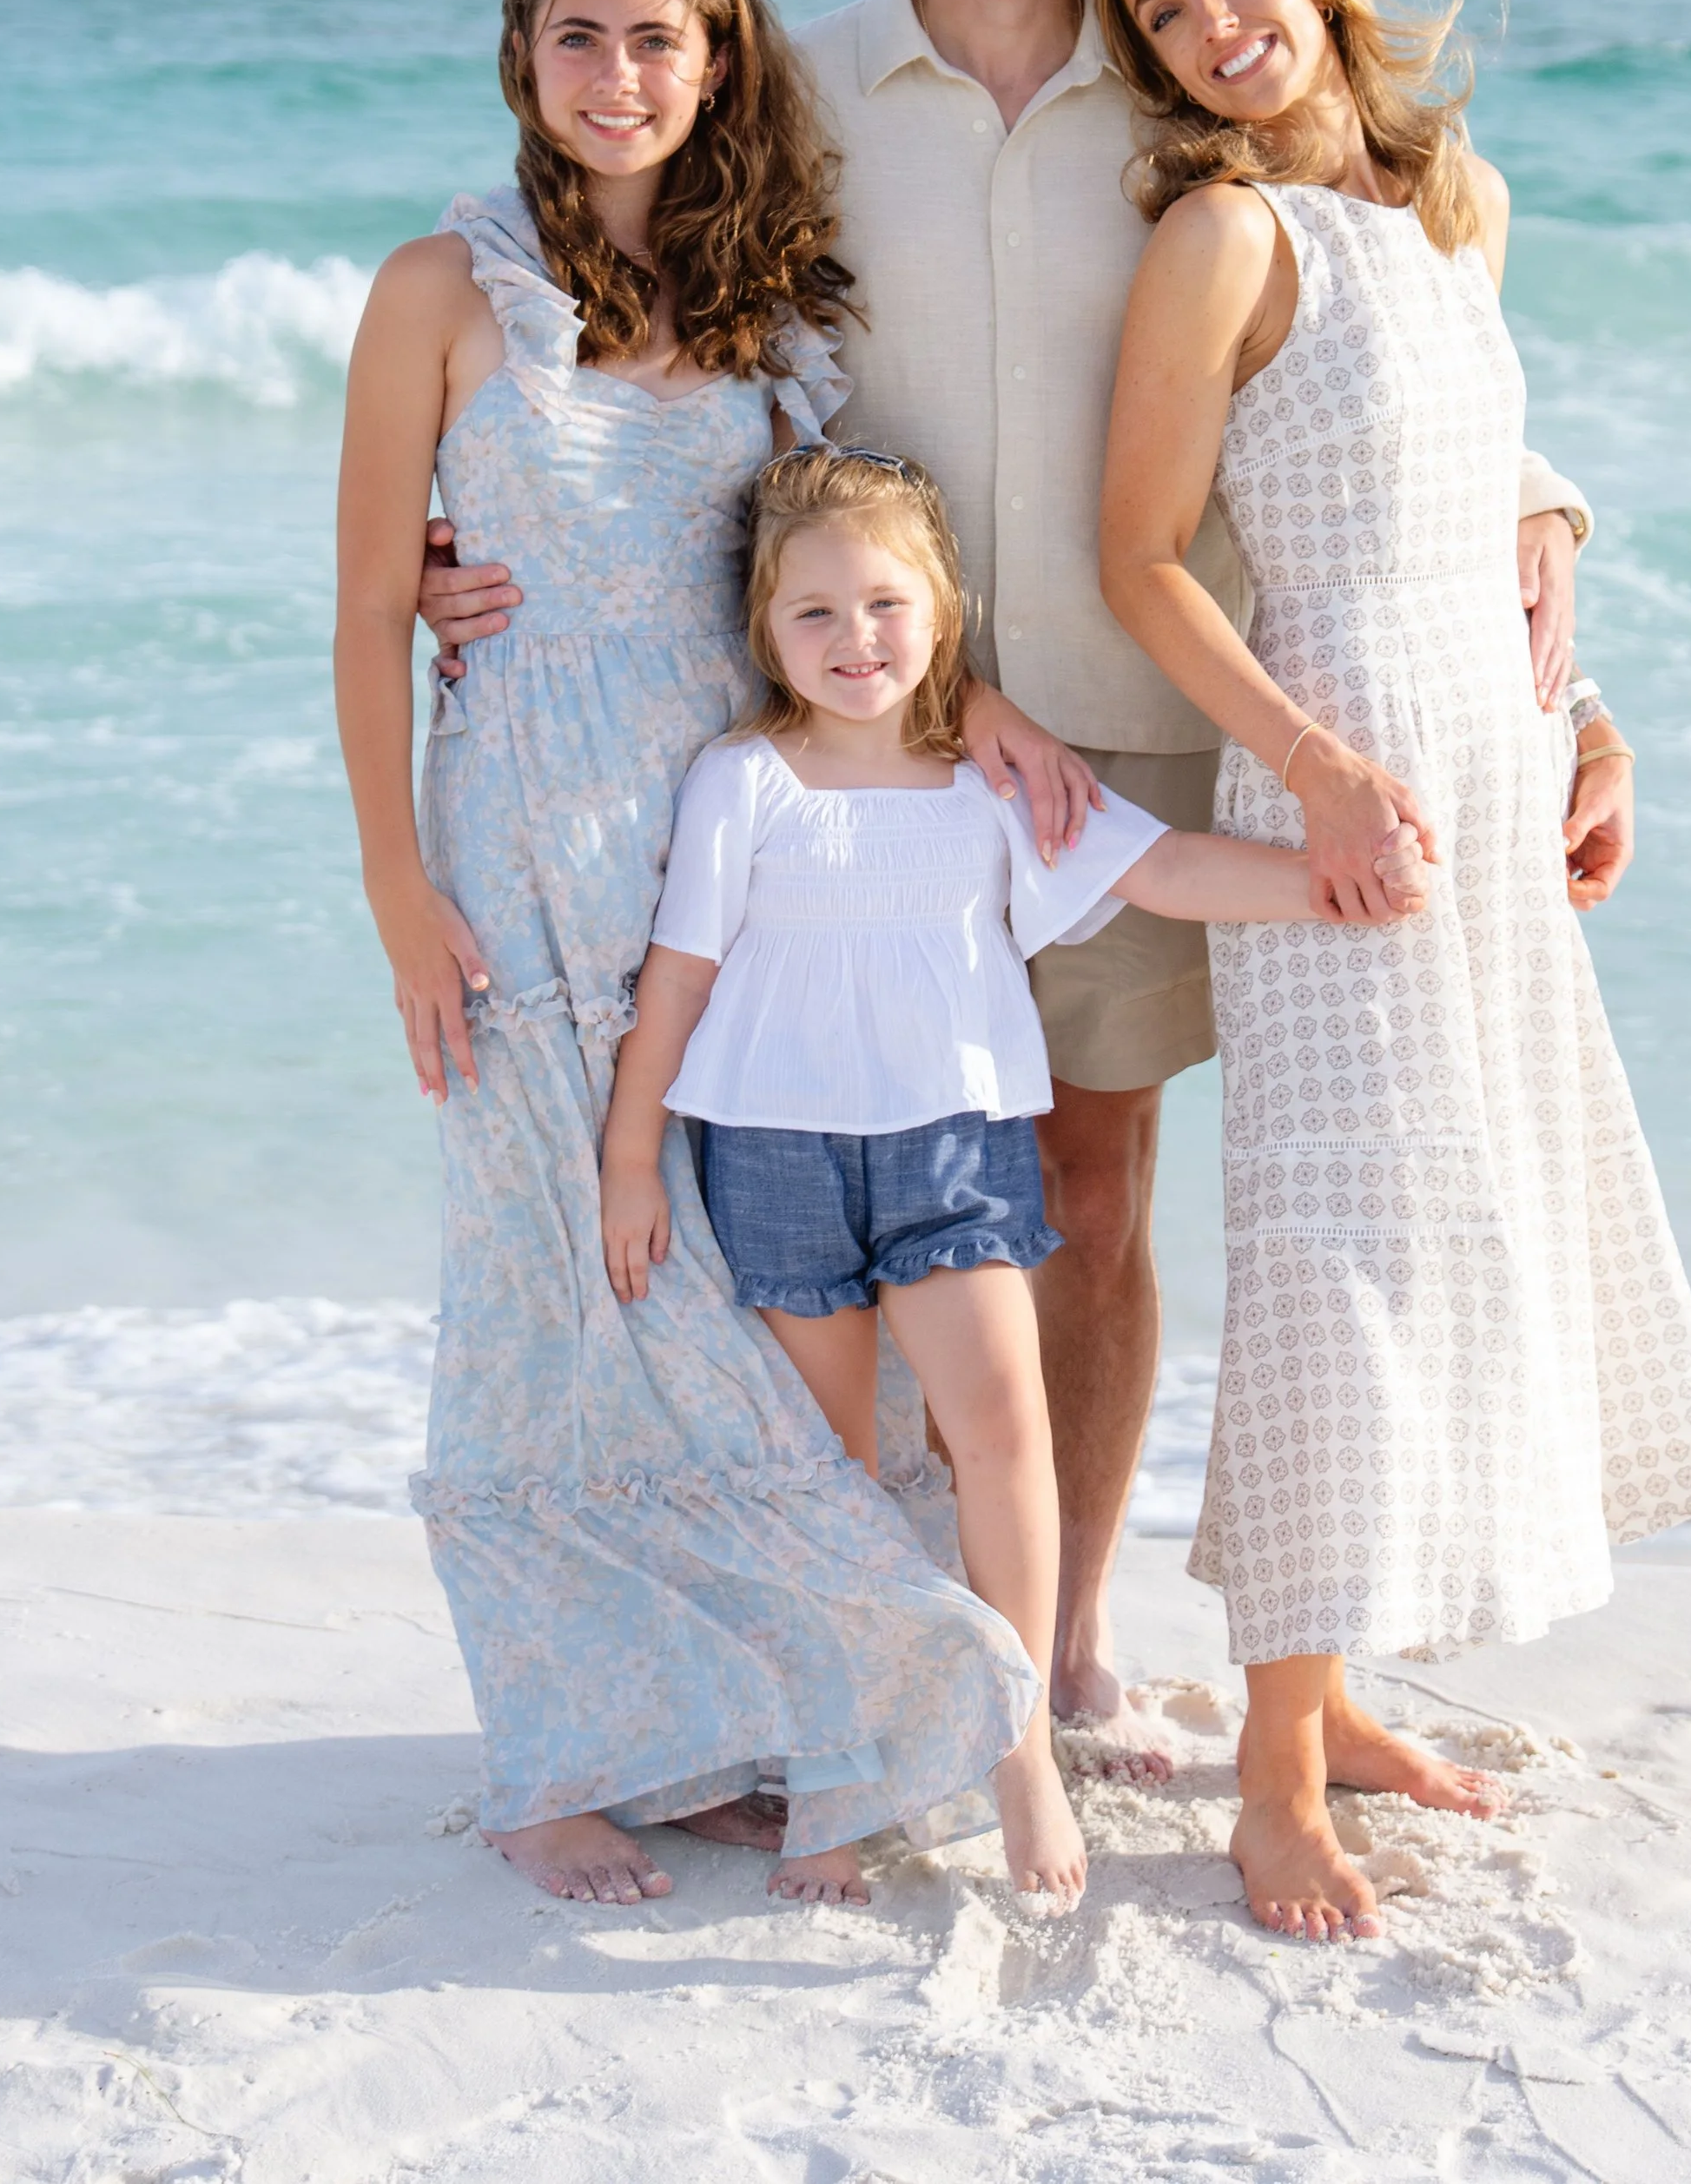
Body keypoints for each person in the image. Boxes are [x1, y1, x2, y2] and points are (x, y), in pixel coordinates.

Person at [419, 0, 1600, 1778]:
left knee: (1093, 1181)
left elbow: (1391, 337)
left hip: (1151, 723)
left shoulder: (1181, 107)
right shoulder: (799, 80)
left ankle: (1059, 1650)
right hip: (878, 746)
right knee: (841, 1187)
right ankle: (881, 1648)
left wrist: (1541, 517)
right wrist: (481, 520)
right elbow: (659, 303)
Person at [334, 0, 1041, 1914]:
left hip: (747, 855)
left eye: (659, 36)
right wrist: (396, 883)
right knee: (551, 1285)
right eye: (578, 36)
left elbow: (843, 579)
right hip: (521, 844)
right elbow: (372, 610)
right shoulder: (440, 289)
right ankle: (551, 1759)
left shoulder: (774, 313)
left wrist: (976, 725)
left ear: (717, 60)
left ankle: (741, 1710)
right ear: (522, 60)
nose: (617, 74)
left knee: (731, 1289)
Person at [1094, 0, 1691, 1942]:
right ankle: (1270, 1773)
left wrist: (1600, 737)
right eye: (1165, 15)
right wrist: (1315, 776)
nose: (1213, 24)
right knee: (1336, 1248)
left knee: (1462, 1217)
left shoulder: (1445, 209)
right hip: (1340, 771)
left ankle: (1342, 1699)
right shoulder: (1219, 235)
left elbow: (1498, 521)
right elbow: (1142, 560)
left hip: (1483, 757)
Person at [596, 444, 1427, 1908]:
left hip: (954, 1150)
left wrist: (1324, 879)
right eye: (815, 616)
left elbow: (1161, 870)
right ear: (762, 631)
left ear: (943, 612)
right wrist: (628, 1166)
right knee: (830, 1475)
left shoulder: (990, 784)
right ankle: (839, 1766)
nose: (856, 641)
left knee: (1000, 1433)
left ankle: (1018, 1742)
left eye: (884, 606)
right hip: (775, 1155)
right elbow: (674, 980)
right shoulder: (743, 784)